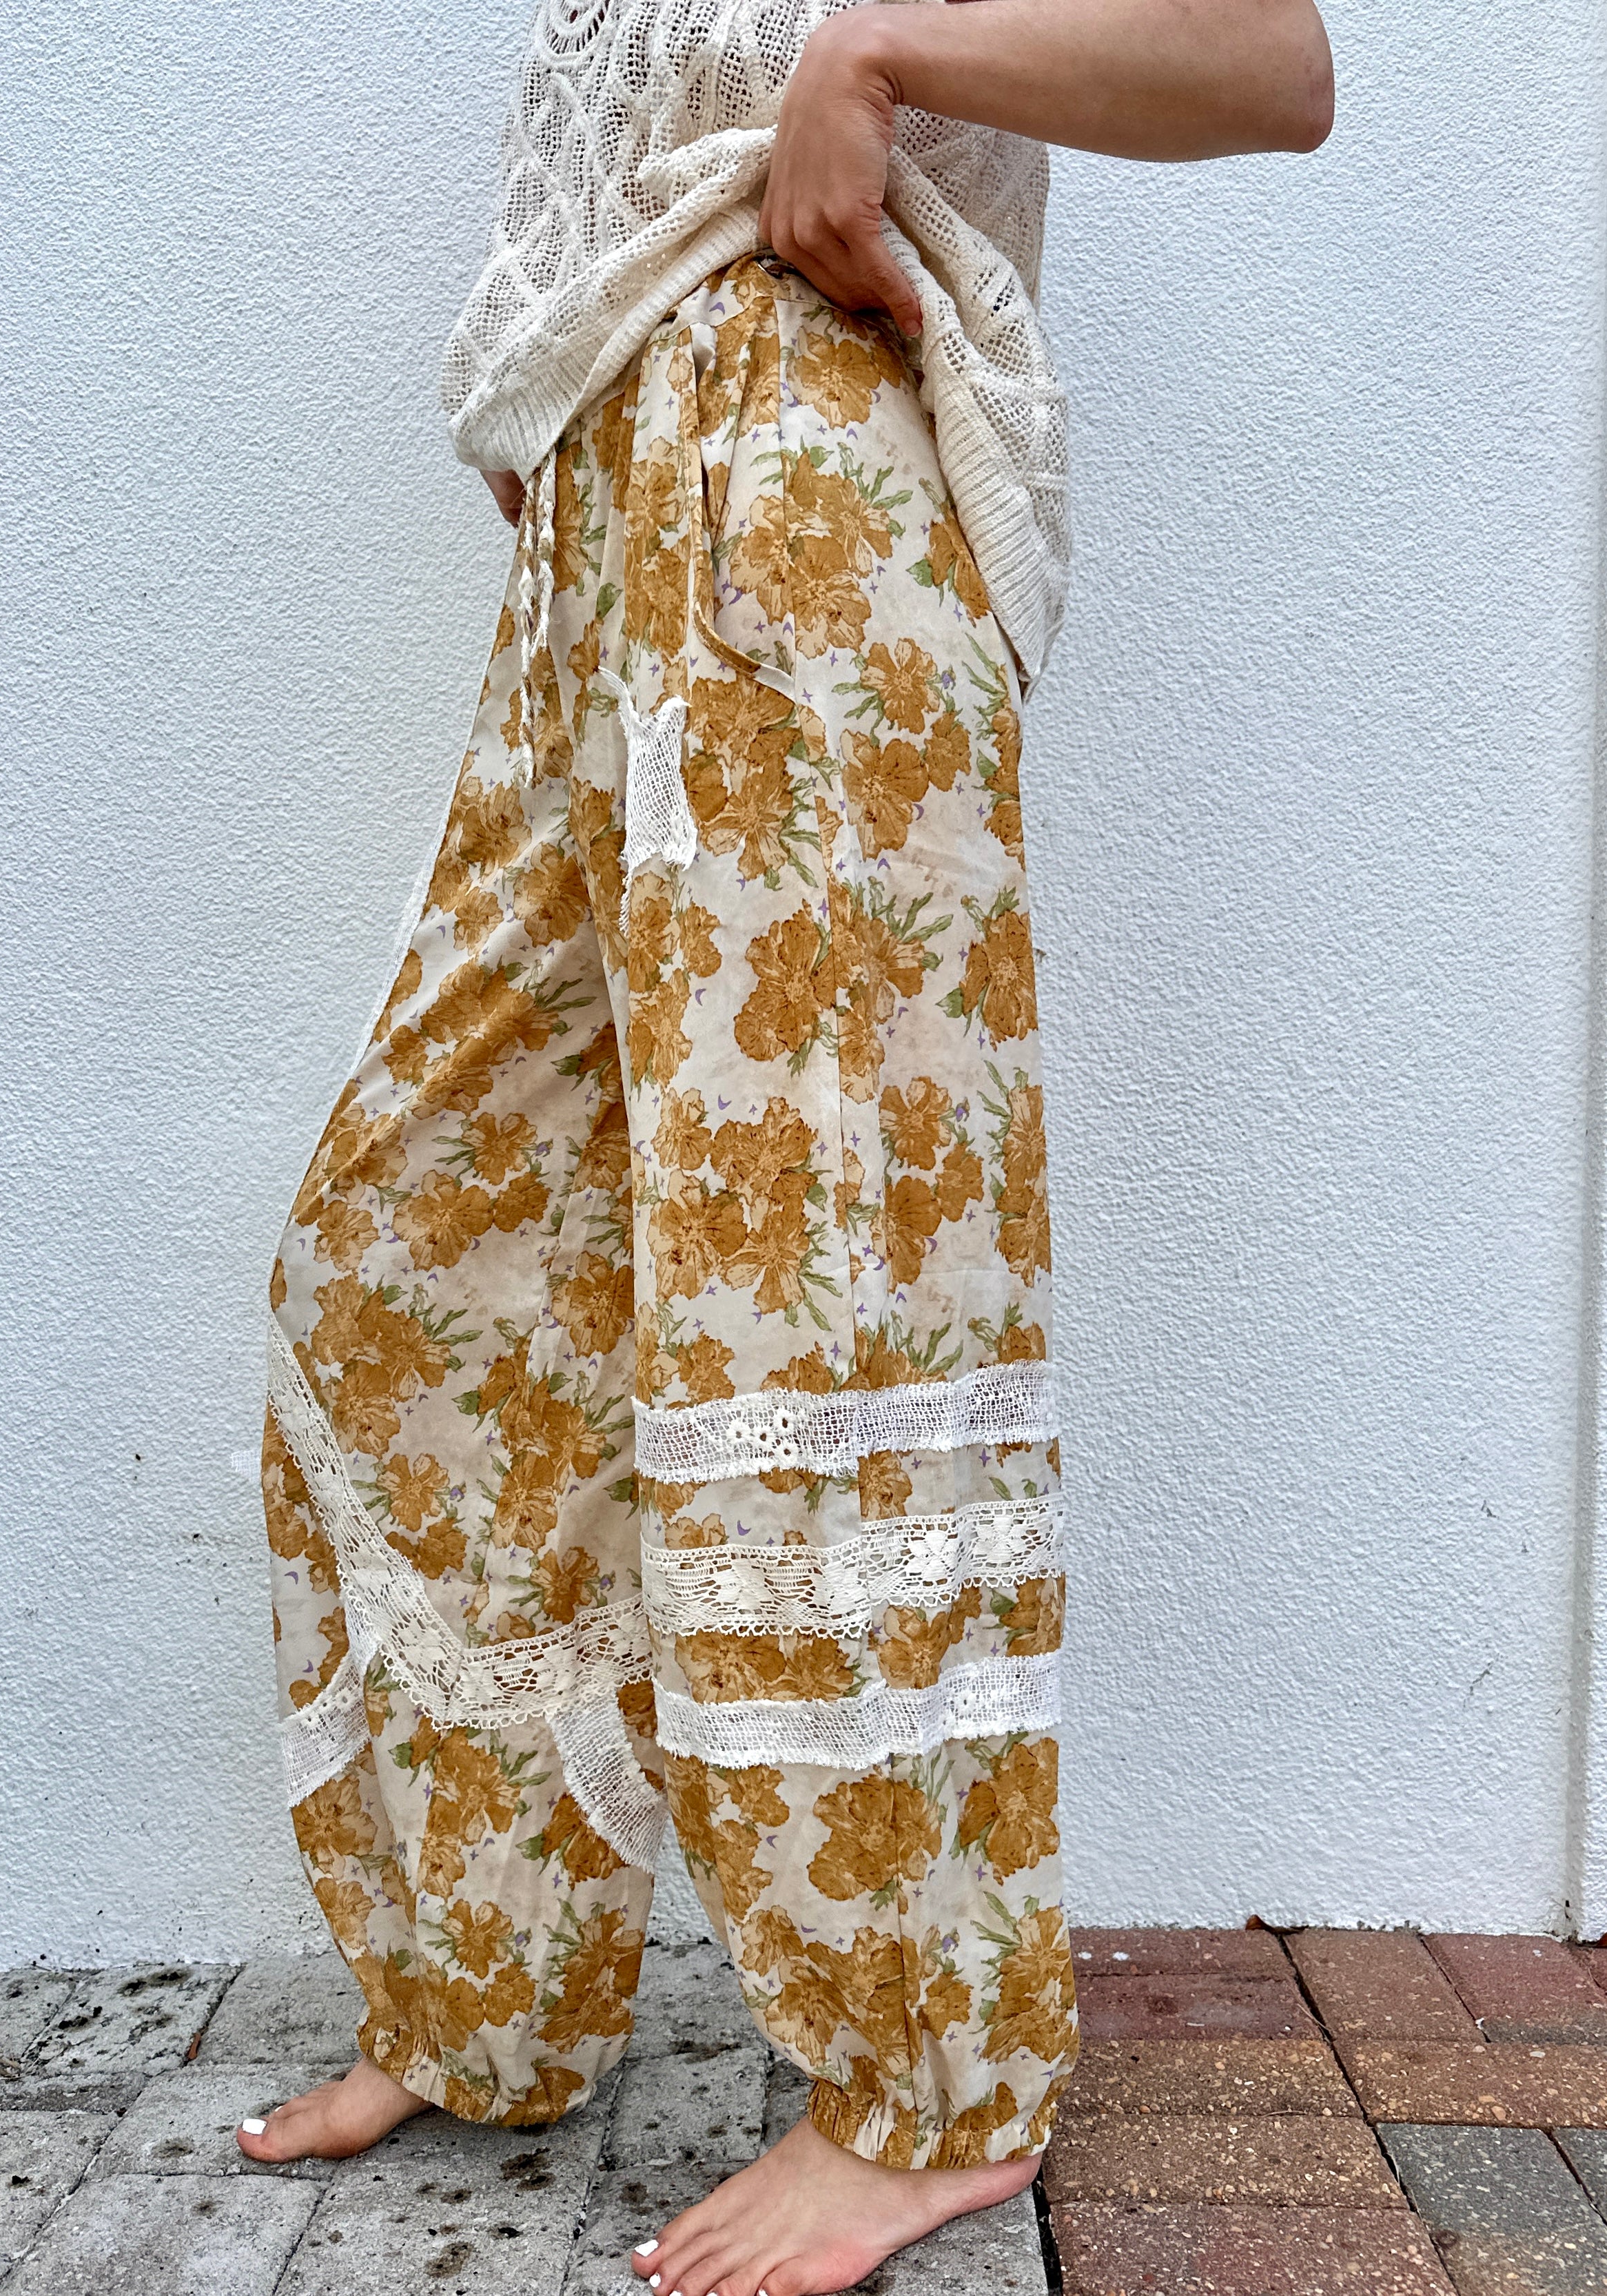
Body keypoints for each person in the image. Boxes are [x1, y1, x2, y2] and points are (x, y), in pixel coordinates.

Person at [239, 2, 1331, 2290]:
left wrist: (885, 53)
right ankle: (488, 1989)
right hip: (604, 569)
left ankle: (935, 2082)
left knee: (812, 1304)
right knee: (408, 1262)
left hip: (809, 519)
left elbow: (1271, 61)